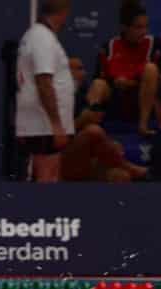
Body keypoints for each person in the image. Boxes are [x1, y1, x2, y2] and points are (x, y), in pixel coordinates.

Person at [15, 0, 74, 183]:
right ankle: (44, 212)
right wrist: (56, 125)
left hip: (42, 124)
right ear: (64, 12)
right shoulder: (43, 38)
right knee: (47, 179)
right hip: (44, 125)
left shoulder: (38, 36)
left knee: (51, 177)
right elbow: (44, 83)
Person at [64, 56, 147, 182]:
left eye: (83, 69)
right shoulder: (54, 97)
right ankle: (130, 168)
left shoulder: (83, 95)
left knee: (121, 176)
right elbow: (57, 139)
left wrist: (109, 146)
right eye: (79, 69)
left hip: (88, 157)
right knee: (93, 131)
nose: (85, 73)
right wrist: (82, 119)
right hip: (61, 157)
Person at [88, 0, 160, 137]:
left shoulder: (155, 45)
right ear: (124, 27)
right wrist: (116, 83)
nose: (143, 32)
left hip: (143, 100)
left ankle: (143, 126)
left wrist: (132, 83)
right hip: (116, 100)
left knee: (151, 69)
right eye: (138, 27)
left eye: (146, 27)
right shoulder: (109, 46)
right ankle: (92, 128)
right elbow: (102, 79)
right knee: (98, 84)